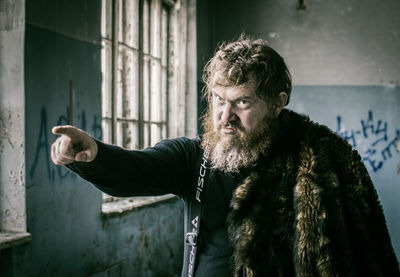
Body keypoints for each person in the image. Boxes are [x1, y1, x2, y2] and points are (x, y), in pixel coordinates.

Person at [51, 35, 400, 277]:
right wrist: (94, 155)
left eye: (242, 102)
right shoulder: (195, 159)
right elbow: (137, 169)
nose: (224, 116)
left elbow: (363, 255)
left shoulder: (321, 163)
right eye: (219, 99)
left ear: (278, 103)